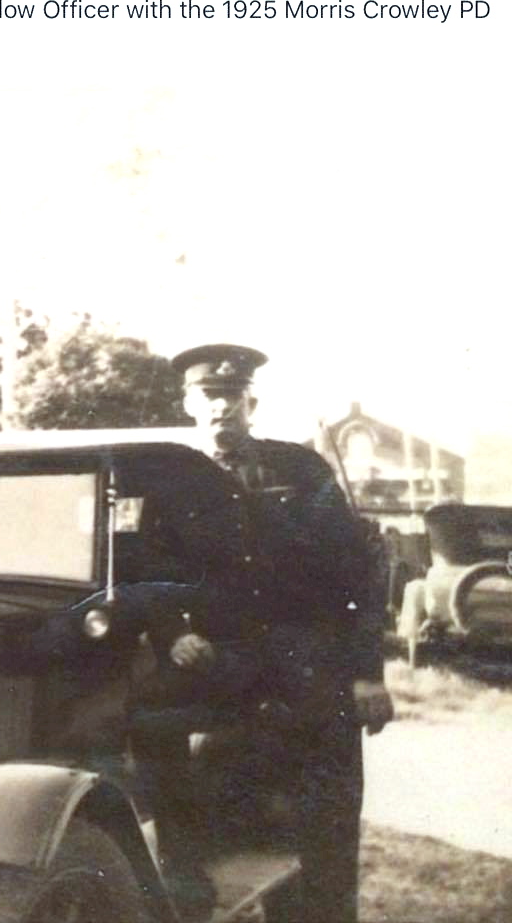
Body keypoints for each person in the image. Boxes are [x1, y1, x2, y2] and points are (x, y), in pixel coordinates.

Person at [131, 344, 394, 922]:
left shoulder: (301, 471)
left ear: (251, 401)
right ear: (188, 404)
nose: (220, 408)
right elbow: (150, 572)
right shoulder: (172, 481)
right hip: (222, 660)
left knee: (325, 812)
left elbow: (359, 573)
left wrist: (367, 673)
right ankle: (183, 880)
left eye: (230, 396)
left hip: (307, 658)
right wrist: (172, 633)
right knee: (156, 723)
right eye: (207, 396)